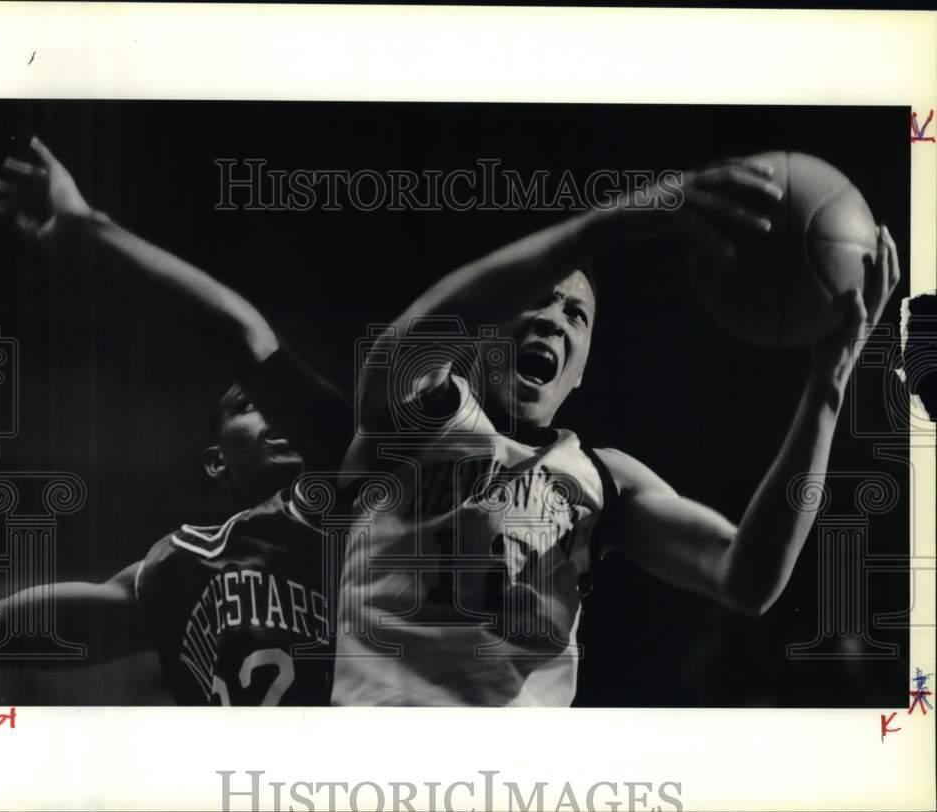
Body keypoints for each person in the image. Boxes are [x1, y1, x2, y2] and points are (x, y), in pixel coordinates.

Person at [334, 158, 901, 706]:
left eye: (576, 314)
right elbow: (432, 323)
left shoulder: (603, 477)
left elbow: (747, 578)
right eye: (537, 300)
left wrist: (829, 384)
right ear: (484, 329)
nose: (553, 320)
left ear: (580, 370)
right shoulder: (418, 411)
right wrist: (614, 223)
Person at [0, 137, 351, 705]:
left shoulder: (361, 483)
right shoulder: (181, 566)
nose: (274, 412)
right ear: (215, 460)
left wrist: (91, 230)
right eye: (248, 407)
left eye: (272, 401)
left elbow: (243, 338)